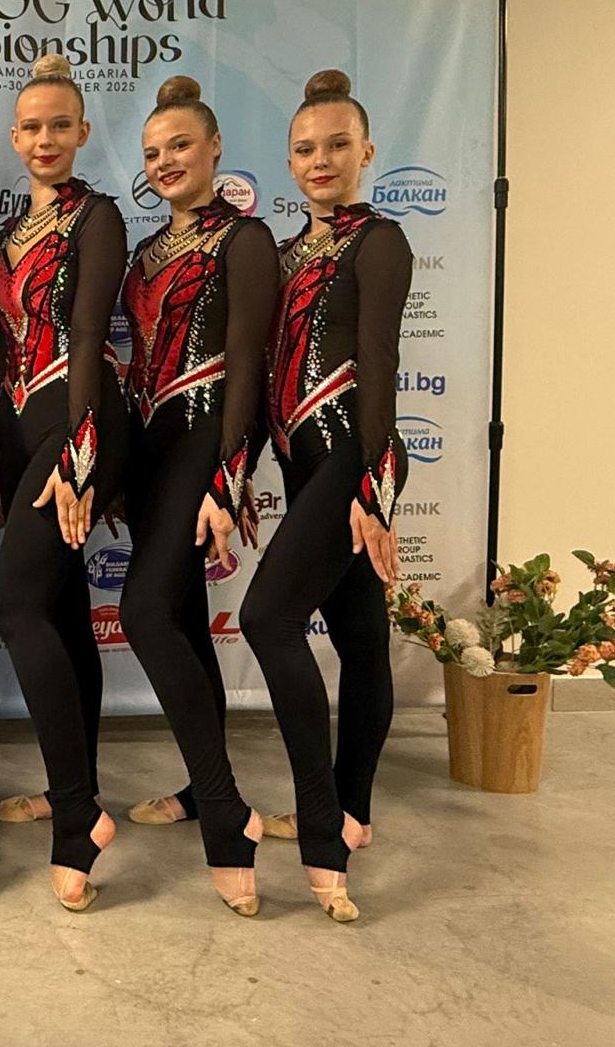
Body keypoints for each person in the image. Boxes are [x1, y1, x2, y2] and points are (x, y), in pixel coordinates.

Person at [240, 68, 411, 922]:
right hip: (303, 462)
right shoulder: (283, 254)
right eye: (306, 148)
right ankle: (354, 812)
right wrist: (238, 470)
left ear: (366, 152)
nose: (321, 161)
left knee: (269, 617)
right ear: (289, 161)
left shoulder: (379, 241)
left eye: (338, 145)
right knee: (359, 632)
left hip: (351, 458)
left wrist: (372, 488)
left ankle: (322, 826)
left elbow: (377, 367)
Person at [117, 76, 278, 915]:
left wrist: (229, 473)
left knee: (143, 612)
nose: (166, 162)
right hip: (150, 448)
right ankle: (198, 783)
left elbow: (250, 365)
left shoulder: (244, 239)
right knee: (179, 619)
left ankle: (225, 810)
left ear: (214, 147)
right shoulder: (145, 251)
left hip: (203, 440)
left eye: (180, 145)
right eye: (153, 152)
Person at [0, 55, 127, 910]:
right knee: (64, 611)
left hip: (79, 422)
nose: (45, 139)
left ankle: (79, 817)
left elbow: (85, 338)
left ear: (81, 133)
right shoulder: (9, 231)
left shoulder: (97, 218)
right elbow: (2, 351)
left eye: (59, 126)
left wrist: (78, 456)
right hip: (24, 430)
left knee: (13, 601)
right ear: (15, 137)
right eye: (32, 127)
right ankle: (79, 783)